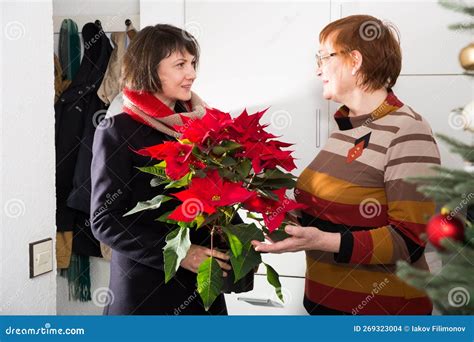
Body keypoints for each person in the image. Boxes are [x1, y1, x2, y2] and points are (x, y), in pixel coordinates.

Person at [252, 15, 441, 315]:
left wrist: (322, 241)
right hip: (324, 305)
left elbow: (411, 240)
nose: (317, 70)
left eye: (324, 57)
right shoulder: (347, 127)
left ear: (354, 60)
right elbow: (325, 211)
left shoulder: (408, 130)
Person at [90, 24, 231, 315]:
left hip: (203, 285)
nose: (191, 73)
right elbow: (104, 220)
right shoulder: (116, 131)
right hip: (145, 290)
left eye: (192, 63)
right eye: (180, 64)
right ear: (150, 69)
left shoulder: (203, 127)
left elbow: (218, 199)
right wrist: (181, 255)